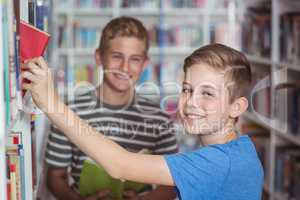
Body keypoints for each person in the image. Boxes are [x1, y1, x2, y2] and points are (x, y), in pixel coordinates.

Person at [22, 43, 264, 200]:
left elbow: (120, 165)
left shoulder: (218, 162)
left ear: (237, 107)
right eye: (187, 89)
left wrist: (51, 103)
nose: (191, 102)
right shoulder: (241, 148)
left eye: (208, 93)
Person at [43, 16, 178, 200]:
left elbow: (172, 183)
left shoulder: (159, 118)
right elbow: (54, 177)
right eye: (117, 56)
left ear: (145, 64)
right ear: (99, 57)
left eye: (135, 59)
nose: (124, 67)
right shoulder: (68, 112)